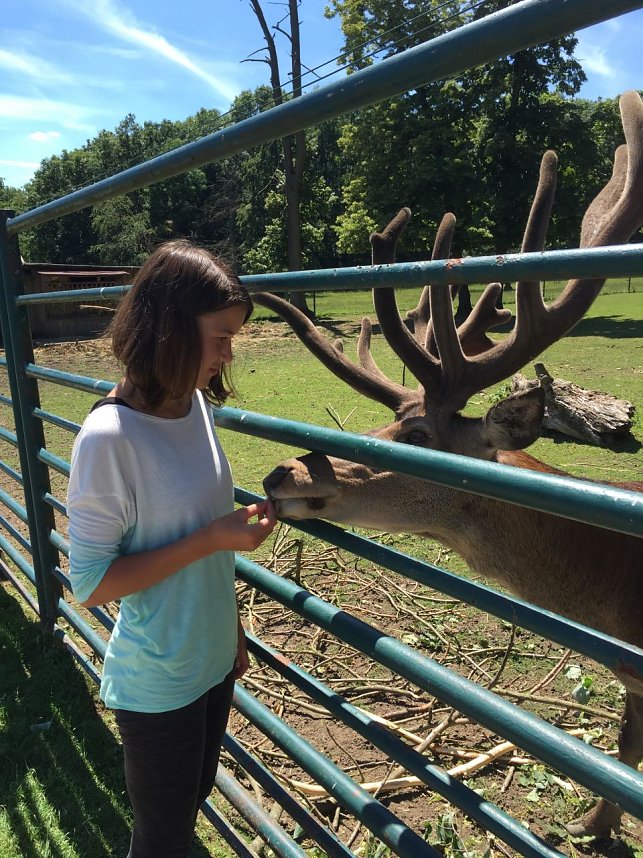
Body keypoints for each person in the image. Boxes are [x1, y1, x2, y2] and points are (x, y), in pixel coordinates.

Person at [67, 239, 277, 858]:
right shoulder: (109, 438)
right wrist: (213, 536)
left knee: (190, 803)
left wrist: (232, 634)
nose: (228, 353)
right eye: (219, 335)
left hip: (211, 660)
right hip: (159, 682)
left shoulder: (195, 407)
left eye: (233, 336)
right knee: (161, 839)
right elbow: (91, 584)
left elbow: (206, 544)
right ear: (168, 327)